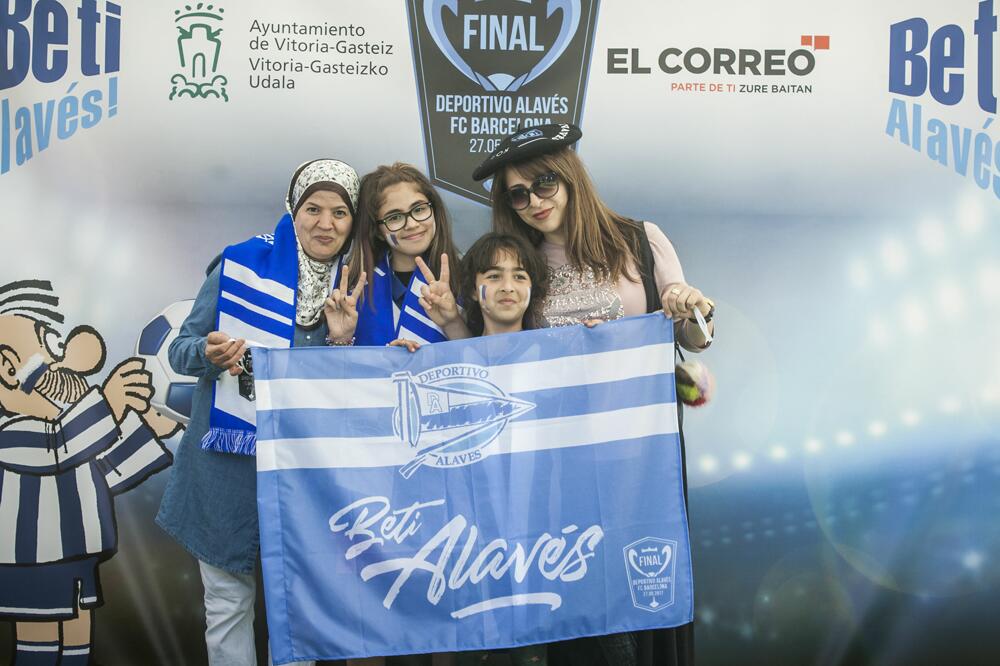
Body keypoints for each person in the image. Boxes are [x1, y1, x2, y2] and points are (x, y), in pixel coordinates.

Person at [472, 124, 715, 666]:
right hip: (560, 469)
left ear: (571, 177)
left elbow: (693, 338)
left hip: (640, 461)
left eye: (544, 183)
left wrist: (689, 305)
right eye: (518, 194)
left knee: (645, 592)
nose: (533, 201)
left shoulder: (639, 239)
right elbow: (498, 357)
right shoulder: (520, 262)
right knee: (581, 612)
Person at [156, 158, 365, 666]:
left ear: (353, 222)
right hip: (227, 471)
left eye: (340, 212)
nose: (325, 223)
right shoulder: (238, 265)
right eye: (312, 208)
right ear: (291, 211)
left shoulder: (359, 286)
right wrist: (207, 355)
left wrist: (343, 340)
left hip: (308, 480)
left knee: (300, 611)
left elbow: (356, 396)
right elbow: (181, 349)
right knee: (227, 604)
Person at [347, 162, 468, 347]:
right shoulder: (355, 286)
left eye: (419, 209)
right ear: (377, 230)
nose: (411, 224)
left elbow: (483, 363)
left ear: (434, 210)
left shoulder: (467, 275)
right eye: (394, 217)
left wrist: (453, 322)